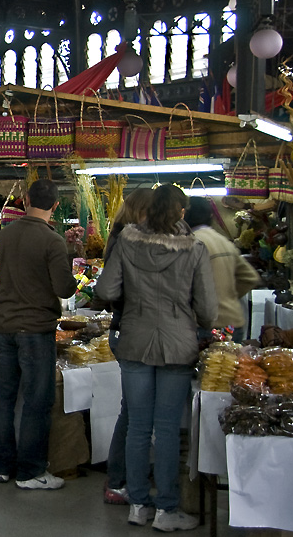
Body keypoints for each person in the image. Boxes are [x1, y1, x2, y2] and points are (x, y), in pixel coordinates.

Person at [96, 185, 216, 531]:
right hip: (178, 345)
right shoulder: (195, 249)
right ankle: (166, 510)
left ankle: (137, 505)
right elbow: (207, 308)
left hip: (134, 339)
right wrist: (197, 322)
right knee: (165, 430)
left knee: (137, 426)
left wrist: (131, 301)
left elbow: (105, 290)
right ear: (181, 212)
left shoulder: (127, 242)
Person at [0, 179, 75, 490]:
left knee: (4, 398)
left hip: (4, 327)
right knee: (37, 401)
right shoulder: (53, 241)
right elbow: (63, 287)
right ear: (54, 205)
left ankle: (1, 466)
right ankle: (30, 471)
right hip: (36, 330)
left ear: (25, 200)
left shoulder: (6, 235)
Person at [101, 187, 154, 505]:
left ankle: (121, 477)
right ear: (143, 212)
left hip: (124, 329)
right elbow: (112, 291)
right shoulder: (129, 240)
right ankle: (120, 480)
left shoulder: (118, 236)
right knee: (134, 413)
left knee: (131, 411)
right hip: (131, 329)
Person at [186, 197, 260, 343]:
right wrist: (226, 297)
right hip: (232, 322)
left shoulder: (188, 244)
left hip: (204, 325)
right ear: (211, 216)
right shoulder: (223, 241)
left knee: (207, 364)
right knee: (228, 364)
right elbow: (250, 277)